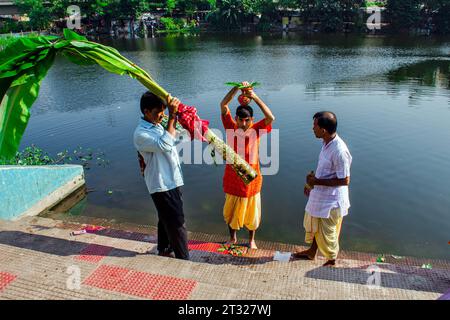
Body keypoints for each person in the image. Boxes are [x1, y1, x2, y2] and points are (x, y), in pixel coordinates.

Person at [133, 91, 189, 260]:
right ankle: (183, 258)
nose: (162, 115)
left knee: (165, 217)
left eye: (164, 112)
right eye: (159, 112)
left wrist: (180, 117)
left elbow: (180, 136)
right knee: (178, 222)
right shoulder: (141, 134)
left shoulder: (157, 125)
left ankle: (164, 247)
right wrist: (172, 117)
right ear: (146, 111)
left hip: (172, 179)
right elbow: (165, 144)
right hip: (161, 183)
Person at [220, 82, 275, 249]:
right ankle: (233, 238)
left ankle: (251, 240)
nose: (243, 124)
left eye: (247, 120)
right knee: (231, 210)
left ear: (252, 120)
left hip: (252, 178)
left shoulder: (256, 130)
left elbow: (270, 118)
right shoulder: (230, 127)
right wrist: (236, 88)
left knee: (252, 211)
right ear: (235, 119)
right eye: (241, 120)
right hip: (233, 178)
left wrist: (254, 96)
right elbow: (223, 104)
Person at [293, 111, 352, 266]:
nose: (313, 129)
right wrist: (311, 184)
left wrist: (317, 181)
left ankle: (331, 260)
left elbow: (345, 180)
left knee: (328, 233)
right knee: (317, 227)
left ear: (323, 130)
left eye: (315, 126)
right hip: (321, 195)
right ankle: (312, 252)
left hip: (332, 202)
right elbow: (327, 171)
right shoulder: (326, 143)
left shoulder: (339, 150)